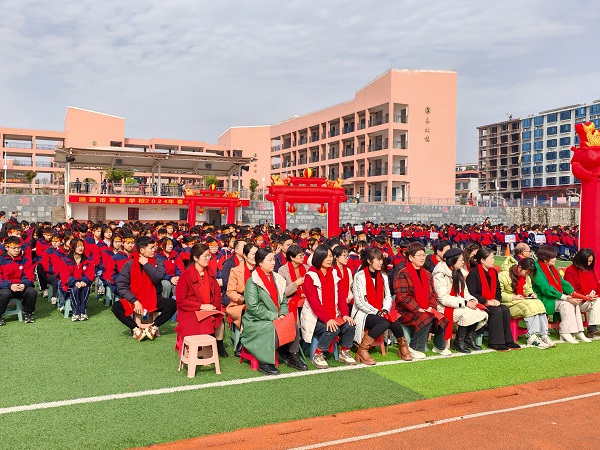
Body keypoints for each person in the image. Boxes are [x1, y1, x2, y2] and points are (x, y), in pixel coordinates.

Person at [241, 248, 307, 375]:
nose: (273, 263)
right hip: (256, 320)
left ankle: (293, 356)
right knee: (271, 327)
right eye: (270, 260)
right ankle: (265, 363)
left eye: (273, 260)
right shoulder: (252, 281)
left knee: (292, 323)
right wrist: (275, 316)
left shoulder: (277, 278)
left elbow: (283, 300)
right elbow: (253, 307)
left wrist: (282, 314)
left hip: (276, 315)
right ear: (260, 262)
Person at [301, 244, 357, 369]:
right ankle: (318, 354)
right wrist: (327, 319)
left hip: (333, 314)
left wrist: (345, 314)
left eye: (330, 256)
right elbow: (314, 303)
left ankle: (344, 351)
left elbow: (341, 297)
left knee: (350, 325)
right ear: (318, 257)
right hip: (314, 317)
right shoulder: (310, 276)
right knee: (333, 328)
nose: (329, 259)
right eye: (325, 256)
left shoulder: (334, 274)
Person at [352, 247, 411, 363]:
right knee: (384, 322)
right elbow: (359, 302)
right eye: (378, 260)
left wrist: (384, 310)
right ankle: (362, 349)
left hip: (380, 311)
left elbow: (388, 297)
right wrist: (377, 312)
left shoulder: (383, 276)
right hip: (363, 313)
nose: (381, 262)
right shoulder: (359, 276)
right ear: (369, 261)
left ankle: (403, 347)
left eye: (381, 260)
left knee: (394, 321)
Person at [113, 236, 177, 341]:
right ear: (142, 250)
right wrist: (135, 301)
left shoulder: (158, 261)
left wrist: (146, 264)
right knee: (116, 307)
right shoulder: (130, 264)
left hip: (154, 297)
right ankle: (136, 328)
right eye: (151, 248)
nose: (154, 250)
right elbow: (121, 285)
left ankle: (153, 327)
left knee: (172, 304)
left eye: (154, 247)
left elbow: (158, 277)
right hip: (135, 298)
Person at [394, 242, 449, 359]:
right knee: (426, 317)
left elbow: (433, 294)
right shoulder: (403, 273)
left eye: (424, 255)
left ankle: (439, 346)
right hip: (406, 311)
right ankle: (415, 347)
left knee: (441, 317)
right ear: (411, 257)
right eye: (419, 255)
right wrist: (418, 308)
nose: (422, 258)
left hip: (425, 308)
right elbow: (402, 297)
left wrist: (431, 307)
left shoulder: (427, 274)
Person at [175, 243, 228, 357]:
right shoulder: (185, 276)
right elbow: (181, 301)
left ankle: (219, 345)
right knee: (203, 320)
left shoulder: (210, 272)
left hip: (209, 307)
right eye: (205, 256)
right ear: (195, 258)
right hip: (190, 311)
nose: (208, 258)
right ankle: (204, 351)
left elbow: (217, 293)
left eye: (209, 256)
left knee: (219, 317)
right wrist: (201, 307)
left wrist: (214, 307)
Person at [432, 247, 488, 354]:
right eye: (461, 260)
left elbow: (465, 292)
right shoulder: (440, 275)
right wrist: (465, 303)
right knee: (468, 313)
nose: (463, 262)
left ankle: (468, 338)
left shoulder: (459, 273)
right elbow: (443, 298)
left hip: (457, 304)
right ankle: (459, 341)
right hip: (443, 307)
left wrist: (471, 300)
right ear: (453, 261)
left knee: (480, 312)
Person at [466, 247, 521, 352]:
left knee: (505, 309)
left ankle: (508, 340)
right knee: (496, 311)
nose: (493, 260)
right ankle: (495, 342)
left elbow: (498, 289)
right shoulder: (474, 273)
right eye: (491, 258)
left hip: (492, 301)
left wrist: (497, 300)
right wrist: (486, 301)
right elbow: (471, 293)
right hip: (479, 302)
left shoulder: (493, 272)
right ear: (482, 260)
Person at [532, 245, 590, 344]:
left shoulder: (551, 267)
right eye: (553, 257)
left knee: (574, 302)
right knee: (566, 303)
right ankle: (565, 331)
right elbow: (546, 289)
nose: (555, 259)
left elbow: (562, 282)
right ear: (545, 259)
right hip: (543, 299)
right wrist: (565, 297)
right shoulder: (536, 269)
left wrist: (573, 293)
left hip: (553, 297)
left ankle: (579, 331)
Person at [498, 257, 554, 349]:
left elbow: (528, 289)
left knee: (538, 303)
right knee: (529, 307)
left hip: (521, 300)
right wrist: (513, 297)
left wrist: (531, 294)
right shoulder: (503, 275)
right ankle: (532, 337)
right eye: (526, 272)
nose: (527, 275)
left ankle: (543, 334)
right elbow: (498, 293)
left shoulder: (526, 277)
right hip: (508, 303)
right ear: (519, 268)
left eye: (529, 273)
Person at [564, 248, 600, 339]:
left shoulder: (589, 270)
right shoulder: (570, 271)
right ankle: (592, 328)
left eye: (591, 261)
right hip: (577, 300)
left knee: (597, 300)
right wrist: (586, 296)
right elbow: (570, 290)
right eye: (588, 261)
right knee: (598, 301)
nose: (589, 263)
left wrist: (592, 295)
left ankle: (592, 327)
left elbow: (596, 286)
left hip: (590, 299)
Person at [0, 236, 36, 324]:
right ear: (6, 247)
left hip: (20, 285)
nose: (17, 250)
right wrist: (10, 285)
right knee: (5, 294)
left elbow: (29, 276)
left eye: (19, 247)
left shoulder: (24, 260)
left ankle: (28, 313)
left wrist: (24, 284)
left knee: (31, 292)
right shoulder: (1, 260)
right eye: (14, 248)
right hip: (5, 287)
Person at [59, 237, 95, 321]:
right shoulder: (66, 260)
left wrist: (84, 281)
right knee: (75, 289)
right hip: (68, 285)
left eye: (82, 246)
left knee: (86, 288)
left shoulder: (87, 260)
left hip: (83, 283)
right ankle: (76, 312)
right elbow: (65, 276)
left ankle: (83, 311)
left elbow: (90, 274)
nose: (81, 248)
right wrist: (75, 282)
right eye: (78, 246)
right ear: (72, 248)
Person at [277, 244, 308, 321]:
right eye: (300, 255)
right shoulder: (282, 270)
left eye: (303, 255)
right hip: (291, 299)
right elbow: (283, 293)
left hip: (306, 299)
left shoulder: (306, 268)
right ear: (291, 257)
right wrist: (296, 284)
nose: (303, 257)